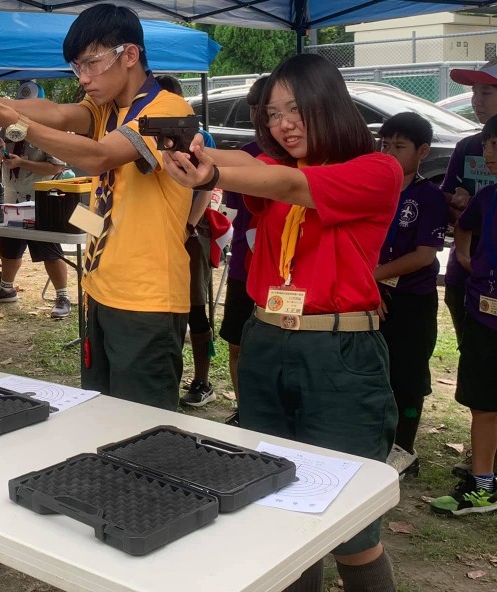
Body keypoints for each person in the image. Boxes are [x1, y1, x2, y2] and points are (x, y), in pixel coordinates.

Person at [162, 53, 401, 592]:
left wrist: (214, 172)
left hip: (338, 352)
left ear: (330, 106)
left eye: (296, 109)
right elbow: (252, 166)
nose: (283, 124)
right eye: (272, 114)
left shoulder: (375, 169)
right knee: (278, 509)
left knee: (351, 525)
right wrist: (182, 145)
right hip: (267, 340)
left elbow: (292, 189)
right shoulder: (276, 167)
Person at [0, 3, 193, 412]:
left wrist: (11, 119)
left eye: (90, 64)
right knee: (102, 414)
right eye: (76, 68)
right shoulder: (107, 108)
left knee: (142, 425)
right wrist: (2, 103)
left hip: (147, 298)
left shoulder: (166, 110)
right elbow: (60, 113)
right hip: (101, 289)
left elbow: (100, 156)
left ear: (129, 55)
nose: (83, 78)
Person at [430, 115, 497, 516]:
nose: (488, 152)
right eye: (488, 144)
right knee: (484, 403)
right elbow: (465, 226)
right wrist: (468, 257)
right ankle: (483, 485)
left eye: (496, 144)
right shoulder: (488, 198)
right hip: (485, 318)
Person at [374, 112, 447, 478]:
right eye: (384, 145)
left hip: (412, 300)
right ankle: (381, 441)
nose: (389, 153)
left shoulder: (428, 196)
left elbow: (424, 255)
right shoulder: (374, 190)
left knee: (409, 375)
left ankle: (405, 449)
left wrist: (374, 275)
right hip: (374, 297)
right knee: (379, 371)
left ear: (422, 151)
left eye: (398, 147)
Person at [154, 74, 218, 407]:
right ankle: (170, 374)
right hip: (158, 232)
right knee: (168, 309)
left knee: (196, 308)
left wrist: (188, 225)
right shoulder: (148, 136)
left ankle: (203, 380)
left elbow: (206, 186)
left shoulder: (198, 137)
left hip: (190, 233)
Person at [217, 76, 268, 425]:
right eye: (254, 107)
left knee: (272, 348)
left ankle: (268, 412)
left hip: (283, 279)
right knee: (237, 342)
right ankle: (243, 409)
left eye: (266, 108)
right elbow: (231, 211)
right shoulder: (242, 156)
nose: (258, 115)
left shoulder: (301, 159)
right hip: (243, 269)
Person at [0, 130, 72, 319]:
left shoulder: (44, 131)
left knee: (49, 249)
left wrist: (22, 163)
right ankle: (6, 289)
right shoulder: (7, 130)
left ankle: (63, 296)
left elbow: (56, 167)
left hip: (40, 200)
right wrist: (0, 151)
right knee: (9, 246)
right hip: (12, 198)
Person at [441, 60, 497, 344]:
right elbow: (447, 202)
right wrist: (459, 204)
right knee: (473, 359)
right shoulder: (467, 147)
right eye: (474, 92)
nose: (476, 101)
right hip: (466, 273)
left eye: (486, 92)